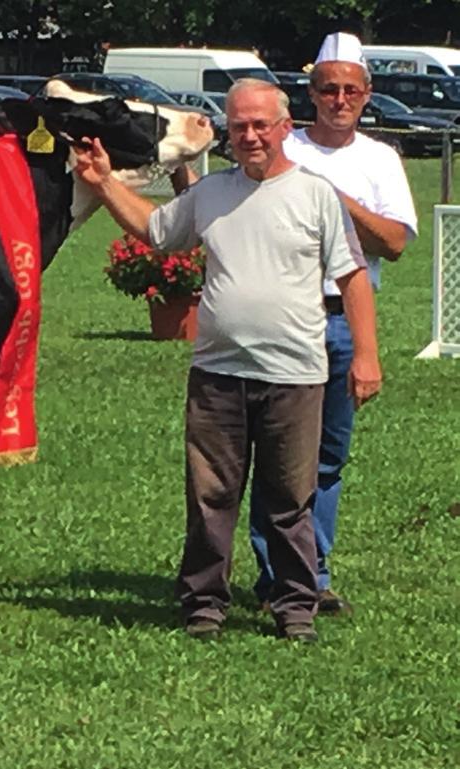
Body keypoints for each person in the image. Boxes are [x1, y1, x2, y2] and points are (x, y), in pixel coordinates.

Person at [74, 79, 382, 642]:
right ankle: (204, 606)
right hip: (218, 376)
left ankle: (294, 608)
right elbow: (156, 230)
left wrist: (366, 355)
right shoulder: (212, 194)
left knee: (289, 501)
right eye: (239, 125)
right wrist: (102, 183)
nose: (250, 136)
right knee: (211, 497)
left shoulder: (315, 195)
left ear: (284, 127)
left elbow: (353, 277)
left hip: (295, 377)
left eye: (261, 124)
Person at [248, 33, 418, 617]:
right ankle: (275, 575)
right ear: (311, 92)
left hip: (345, 319)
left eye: (350, 90)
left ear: (367, 95)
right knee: (274, 452)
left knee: (325, 457)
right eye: (328, 89)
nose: (339, 99)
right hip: (283, 318)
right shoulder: (280, 147)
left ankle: (311, 574)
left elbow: (393, 243)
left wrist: (332, 198)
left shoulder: (379, 160)